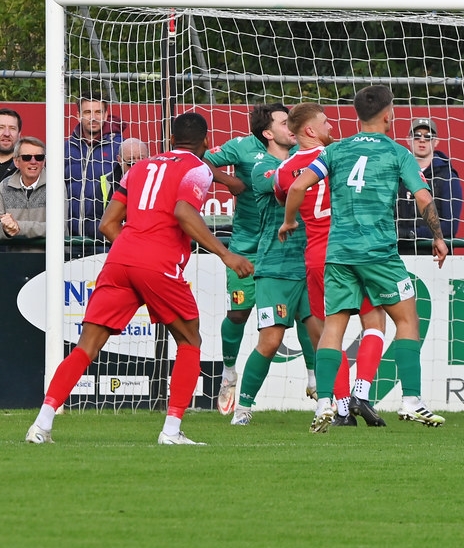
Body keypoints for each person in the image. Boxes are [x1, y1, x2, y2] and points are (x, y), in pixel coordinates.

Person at [25, 112, 254, 445]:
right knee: (190, 342)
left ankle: (41, 425)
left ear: (172, 139)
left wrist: (133, 255)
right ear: (206, 142)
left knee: (86, 347)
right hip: (158, 262)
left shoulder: (141, 167)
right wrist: (226, 254)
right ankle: (171, 432)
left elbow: (107, 224)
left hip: (120, 258)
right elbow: (183, 212)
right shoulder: (196, 169)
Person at [280, 85, 449, 432]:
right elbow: (422, 196)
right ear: (388, 115)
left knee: (333, 328)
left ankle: (326, 403)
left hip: (339, 253)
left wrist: (289, 220)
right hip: (378, 253)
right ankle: (412, 400)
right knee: (406, 319)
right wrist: (437, 236)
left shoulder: (336, 150)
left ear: (357, 116)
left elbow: (297, 188)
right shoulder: (397, 152)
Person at [276, 102, 389, 428]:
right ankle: (361, 392)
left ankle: (341, 409)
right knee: (374, 320)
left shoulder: (284, 171)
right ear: (309, 130)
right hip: (354, 250)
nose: (331, 128)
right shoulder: (343, 154)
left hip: (316, 256)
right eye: (325, 123)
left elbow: (284, 195)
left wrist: (288, 221)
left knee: (328, 334)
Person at [205, 104, 318, 414]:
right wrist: (229, 183)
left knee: (306, 318)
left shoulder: (303, 157)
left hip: (290, 251)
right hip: (246, 247)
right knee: (239, 314)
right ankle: (229, 372)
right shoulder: (243, 148)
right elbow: (200, 161)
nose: (292, 128)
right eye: (285, 123)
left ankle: (313, 378)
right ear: (268, 132)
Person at [395, 117, 464, 251]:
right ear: (408, 140)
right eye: (417, 136)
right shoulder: (396, 174)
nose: (422, 140)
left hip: (432, 254)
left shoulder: (448, 176)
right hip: (398, 253)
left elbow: (450, 226)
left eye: (428, 136)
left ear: (436, 141)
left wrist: (412, 234)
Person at [65, 96, 122, 242]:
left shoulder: (120, 147)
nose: (93, 117)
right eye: (88, 112)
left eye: (98, 112)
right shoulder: (65, 148)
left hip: (105, 239)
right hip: (68, 239)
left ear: (106, 114)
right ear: (78, 115)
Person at [0, 136, 47, 248]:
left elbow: (59, 228)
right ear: (16, 162)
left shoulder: (56, 186)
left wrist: (19, 227)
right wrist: (6, 230)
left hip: (49, 261)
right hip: (13, 260)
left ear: (44, 161)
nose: (33, 162)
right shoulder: (3, 186)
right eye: (27, 157)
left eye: (39, 157)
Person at [0, 108, 23, 182]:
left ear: (19, 133)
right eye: (1, 128)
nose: (7, 133)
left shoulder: (30, 164)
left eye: (12, 128)